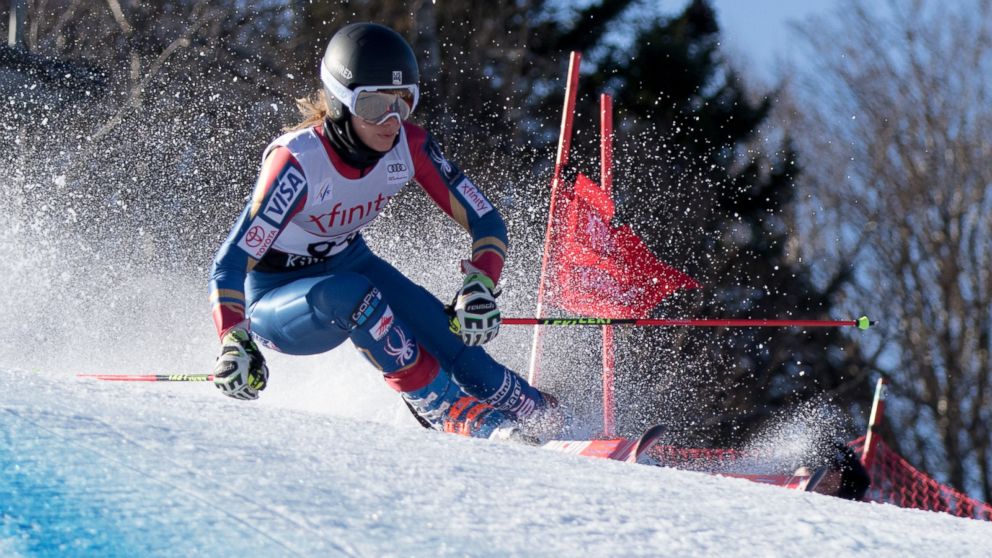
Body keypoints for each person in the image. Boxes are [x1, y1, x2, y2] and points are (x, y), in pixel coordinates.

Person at [208, 22, 562, 441]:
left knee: (457, 346)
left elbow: (486, 220)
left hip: (354, 267)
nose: (392, 120)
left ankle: (553, 420)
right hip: (278, 300)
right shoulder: (298, 163)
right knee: (353, 294)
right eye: (375, 106)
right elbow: (229, 264)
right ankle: (448, 410)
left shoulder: (408, 146)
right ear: (340, 103)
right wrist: (235, 339)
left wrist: (480, 284)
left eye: (404, 102)